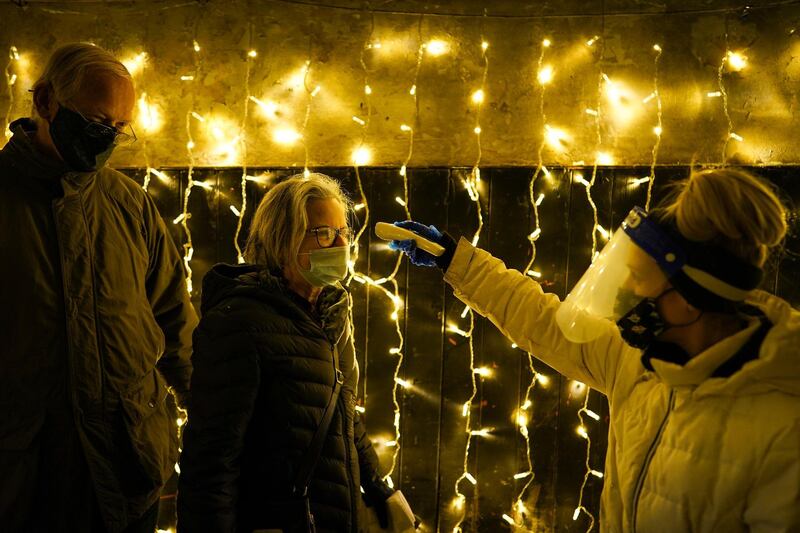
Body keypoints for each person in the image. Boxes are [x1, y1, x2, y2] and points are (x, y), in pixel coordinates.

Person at [389, 168, 800, 532]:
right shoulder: (637, 359)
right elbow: (542, 322)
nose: (627, 292)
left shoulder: (783, 429)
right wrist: (455, 259)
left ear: (690, 296)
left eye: (639, 278)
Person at [0, 43, 197, 532]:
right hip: (26, 477)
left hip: (128, 464)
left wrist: (217, 421)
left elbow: (175, 320)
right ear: (45, 102)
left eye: (118, 128)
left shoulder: (129, 204)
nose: (105, 138)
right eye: (93, 121)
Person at [177, 173, 403, 533]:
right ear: (283, 240)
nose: (341, 244)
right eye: (324, 233)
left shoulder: (328, 314)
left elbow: (342, 410)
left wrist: (381, 488)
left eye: (344, 232)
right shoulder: (239, 321)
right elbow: (212, 458)